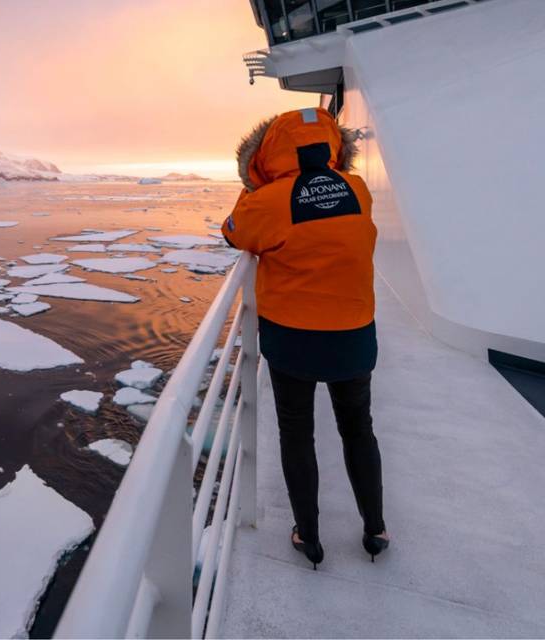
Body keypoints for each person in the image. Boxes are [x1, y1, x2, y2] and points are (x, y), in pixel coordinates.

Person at [221, 107, 389, 569]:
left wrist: (253, 186)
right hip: (354, 336)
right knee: (358, 428)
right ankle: (375, 528)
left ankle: (309, 536)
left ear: (267, 152)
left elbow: (233, 233)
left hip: (293, 340)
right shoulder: (357, 189)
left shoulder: (268, 200)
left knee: (297, 433)